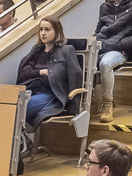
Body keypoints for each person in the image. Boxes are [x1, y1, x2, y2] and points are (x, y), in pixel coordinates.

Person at [17, 17, 83, 153]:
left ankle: (21, 143)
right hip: (31, 91)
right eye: (41, 29)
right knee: (9, 106)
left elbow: (75, 77)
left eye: (47, 29)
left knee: (19, 108)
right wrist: (40, 72)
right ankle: (21, 142)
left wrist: (73, 106)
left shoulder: (66, 50)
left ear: (57, 32)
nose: (43, 33)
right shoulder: (36, 50)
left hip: (52, 95)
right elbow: (23, 74)